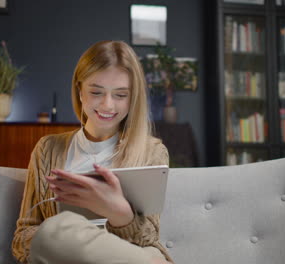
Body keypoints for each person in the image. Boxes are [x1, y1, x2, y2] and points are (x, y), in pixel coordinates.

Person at [11, 40, 173, 264]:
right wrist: (66, 236)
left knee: (151, 255)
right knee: (55, 230)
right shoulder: (47, 149)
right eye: (96, 92)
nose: (107, 105)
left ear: (133, 98)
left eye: (120, 95)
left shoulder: (152, 152)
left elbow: (149, 237)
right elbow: (23, 237)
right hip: (70, 257)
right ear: (79, 91)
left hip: (135, 253)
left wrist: (119, 213)